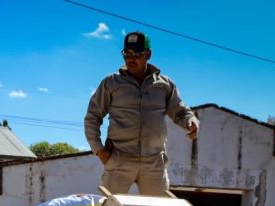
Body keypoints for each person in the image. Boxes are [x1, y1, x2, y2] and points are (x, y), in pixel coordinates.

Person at [84, 31, 199, 196]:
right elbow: (92, 118)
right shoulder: (111, 82)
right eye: (127, 54)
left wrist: (190, 120)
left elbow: (180, 111)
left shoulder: (165, 85)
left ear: (148, 54)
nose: (131, 59)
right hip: (119, 159)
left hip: (154, 163)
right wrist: (100, 152)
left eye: (137, 54)